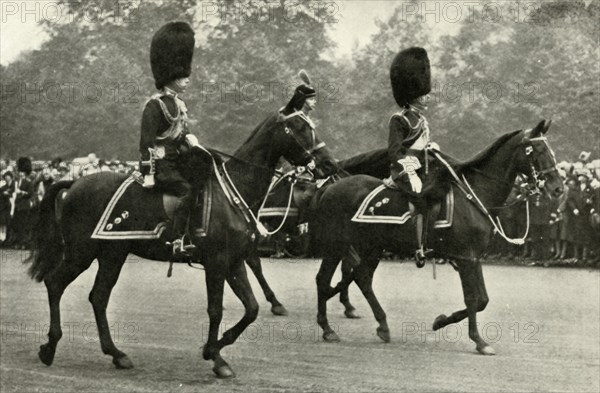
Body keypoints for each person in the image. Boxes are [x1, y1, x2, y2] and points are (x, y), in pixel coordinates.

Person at [139, 21, 206, 256]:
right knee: (186, 191)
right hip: (161, 166)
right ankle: (177, 239)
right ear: (172, 75)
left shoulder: (179, 104)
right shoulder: (155, 105)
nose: (187, 79)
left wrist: (190, 140)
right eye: (183, 75)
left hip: (178, 162)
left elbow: (180, 133)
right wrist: (148, 172)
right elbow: (146, 142)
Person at [386, 47, 436, 266]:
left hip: (423, 169)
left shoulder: (422, 121)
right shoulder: (399, 120)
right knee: (421, 199)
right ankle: (418, 248)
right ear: (413, 95)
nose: (427, 97)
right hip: (404, 172)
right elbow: (395, 153)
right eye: (424, 94)